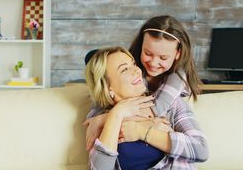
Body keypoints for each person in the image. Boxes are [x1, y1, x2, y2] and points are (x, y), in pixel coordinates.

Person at [68, 47, 208, 170]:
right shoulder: (99, 119)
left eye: (134, 64)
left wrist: (145, 132)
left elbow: (201, 149)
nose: (136, 71)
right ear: (109, 88)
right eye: (125, 69)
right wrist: (117, 114)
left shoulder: (172, 106)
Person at [84, 15, 202, 150]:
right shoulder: (132, 71)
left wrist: (103, 119)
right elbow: (102, 97)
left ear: (178, 54)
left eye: (163, 57)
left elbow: (152, 110)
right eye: (148, 53)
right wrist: (98, 117)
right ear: (141, 46)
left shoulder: (177, 79)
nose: (153, 62)